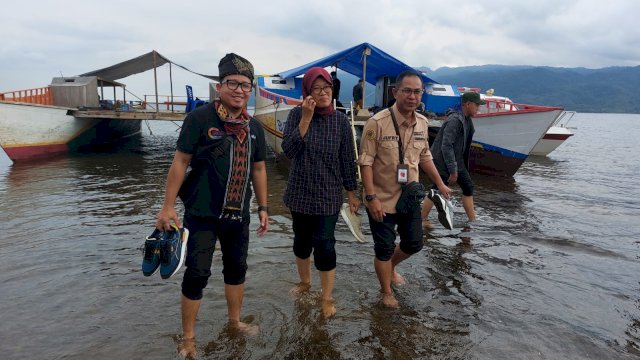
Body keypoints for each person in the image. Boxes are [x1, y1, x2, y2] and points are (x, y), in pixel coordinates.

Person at [154, 53, 269, 356]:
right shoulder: (200, 119)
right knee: (197, 273)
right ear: (220, 86)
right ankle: (189, 337)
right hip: (202, 213)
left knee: (236, 269)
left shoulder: (254, 127)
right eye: (232, 83)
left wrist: (263, 208)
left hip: (238, 214)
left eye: (246, 85)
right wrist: (167, 207)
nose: (239, 90)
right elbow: (180, 162)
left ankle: (234, 322)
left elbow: (258, 169)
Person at [358, 70, 452, 308]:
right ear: (395, 92)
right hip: (381, 197)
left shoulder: (422, 122)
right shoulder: (376, 123)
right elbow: (366, 162)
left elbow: (425, 156)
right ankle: (386, 292)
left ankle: (390, 268)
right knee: (384, 248)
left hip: (408, 196)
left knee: (413, 243)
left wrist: (440, 183)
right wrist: (371, 198)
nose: (412, 96)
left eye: (417, 91)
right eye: (407, 91)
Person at [282, 67, 360, 318]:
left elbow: (348, 159)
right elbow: (289, 151)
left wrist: (351, 193)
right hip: (300, 192)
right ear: (307, 92)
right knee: (302, 241)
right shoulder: (296, 115)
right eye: (317, 89)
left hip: (328, 193)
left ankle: (326, 297)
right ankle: (305, 283)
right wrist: (306, 117)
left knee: (325, 245)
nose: (323, 93)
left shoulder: (340, 121)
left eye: (327, 88)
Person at [421, 92, 483, 225]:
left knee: (468, 187)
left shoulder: (466, 119)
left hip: (457, 161)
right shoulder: (455, 120)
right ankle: (422, 219)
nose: (479, 108)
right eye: (477, 105)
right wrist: (453, 170)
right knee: (437, 189)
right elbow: (446, 146)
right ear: (467, 104)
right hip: (444, 162)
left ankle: (472, 221)